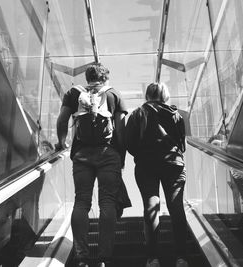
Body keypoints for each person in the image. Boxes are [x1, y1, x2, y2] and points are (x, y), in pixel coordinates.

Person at [56, 63, 127, 267]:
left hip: (82, 154)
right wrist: (120, 155)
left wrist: (62, 143)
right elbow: (120, 130)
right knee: (107, 202)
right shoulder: (114, 94)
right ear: (105, 77)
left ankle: (82, 256)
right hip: (109, 153)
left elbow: (62, 120)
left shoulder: (73, 93)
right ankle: (105, 257)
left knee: (82, 201)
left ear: (87, 77)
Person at [126, 82, 189, 267]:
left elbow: (129, 143)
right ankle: (181, 258)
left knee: (151, 207)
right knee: (176, 208)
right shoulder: (176, 114)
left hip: (147, 166)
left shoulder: (138, 114)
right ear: (165, 95)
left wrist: (143, 153)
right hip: (173, 165)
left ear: (147, 95)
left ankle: (153, 258)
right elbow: (182, 145)